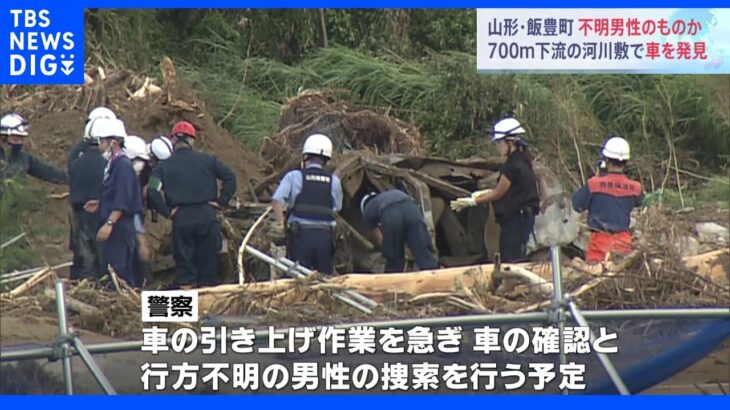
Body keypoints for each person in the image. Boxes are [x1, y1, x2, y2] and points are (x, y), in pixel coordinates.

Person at [148, 121, 236, 289]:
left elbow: (152, 190)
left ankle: (185, 310)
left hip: (182, 219)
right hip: (207, 215)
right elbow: (230, 177)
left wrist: (167, 212)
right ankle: (207, 310)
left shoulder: (163, 167)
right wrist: (221, 201)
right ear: (192, 141)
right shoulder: (208, 160)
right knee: (209, 269)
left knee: (186, 272)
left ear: (173, 140)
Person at [450, 117, 540, 262]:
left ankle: (513, 284)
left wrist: (474, 201)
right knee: (517, 255)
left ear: (510, 142)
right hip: (524, 218)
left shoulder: (512, 165)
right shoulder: (523, 160)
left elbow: (499, 193)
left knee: (511, 258)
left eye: (499, 142)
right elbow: (509, 189)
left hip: (516, 221)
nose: (497, 146)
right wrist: (486, 192)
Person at [271, 134, 343, 275]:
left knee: (297, 280)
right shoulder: (334, 181)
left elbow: (277, 201)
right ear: (326, 160)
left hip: (301, 237)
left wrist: (280, 224)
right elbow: (337, 207)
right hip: (325, 238)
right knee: (324, 281)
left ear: (305, 156)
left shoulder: (294, 177)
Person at [572, 135, 644, 263]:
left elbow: (576, 205)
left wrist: (598, 178)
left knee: (594, 275)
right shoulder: (636, 188)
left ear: (606, 159)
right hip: (623, 242)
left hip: (599, 243)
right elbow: (639, 202)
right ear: (626, 161)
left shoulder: (593, 184)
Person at [92, 118, 144, 288]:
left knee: (118, 271)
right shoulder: (113, 164)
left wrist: (109, 223)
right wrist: (100, 204)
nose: (99, 146)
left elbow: (122, 199)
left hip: (120, 227)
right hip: (118, 224)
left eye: (101, 142)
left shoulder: (122, 165)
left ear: (113, 143)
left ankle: (124, 308)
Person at [67, 106, 116, 280]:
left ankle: (83, 283)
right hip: (99, 212)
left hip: (78, 209)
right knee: (100, 254)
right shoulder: (108, 161)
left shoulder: (77, 156)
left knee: (82, 253)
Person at [360, 189, 438, 273]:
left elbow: (376, 237)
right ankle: (435, 277)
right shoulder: (388, 195)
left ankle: (393, 283)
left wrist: (386, 246)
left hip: (391, 213)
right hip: (412, 209)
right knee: (424, 253)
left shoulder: (367, 210)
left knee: (394, 259)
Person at [0, 113, 67, 184]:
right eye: (15, 140)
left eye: (21, 140)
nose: (19, 143)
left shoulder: (23, 158)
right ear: (2, 138)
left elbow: (46, 171)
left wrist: (72, 180)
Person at [124, 135, 153, 288]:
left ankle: (144, 280)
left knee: (138, 242)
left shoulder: (148, 171)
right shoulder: (123, 170)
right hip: (130, 210)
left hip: (132, 210)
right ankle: (143, 280)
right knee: (139, 242)